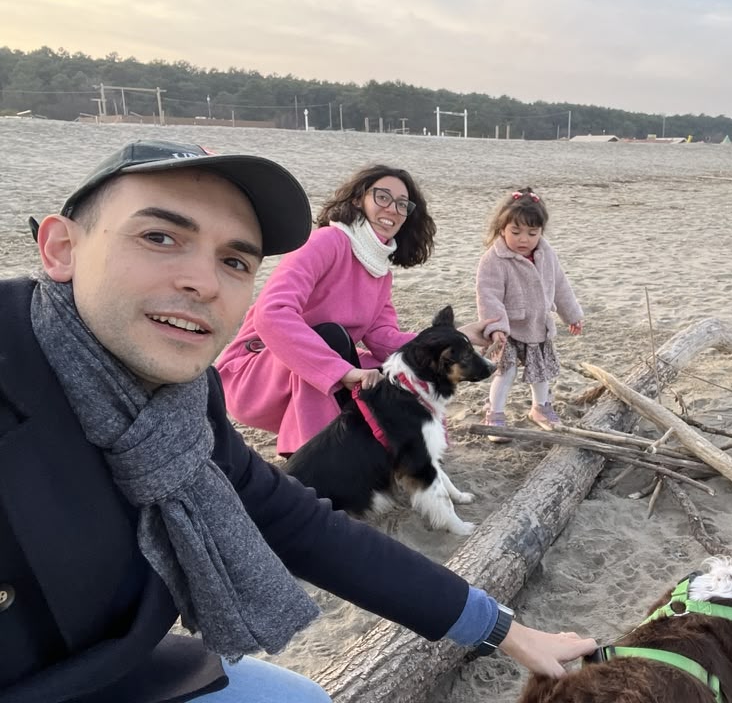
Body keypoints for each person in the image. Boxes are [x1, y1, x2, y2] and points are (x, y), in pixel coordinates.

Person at [0, 139, 596, 703]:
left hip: (117, 665)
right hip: (272, 366)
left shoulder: (180, 401)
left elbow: (304, 525)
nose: (203, 282)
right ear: (61, 247)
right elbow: (280, 315)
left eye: (234, 259)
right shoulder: (328, 245)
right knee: (340, 352)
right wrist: (340, 372)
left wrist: (503, 630)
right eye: (160, 237)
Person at [216, 164, 491, 457]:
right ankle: (311, 458)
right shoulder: (327, 241)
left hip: (316, 371)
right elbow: (271, 313)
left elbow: (384, 338)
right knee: (331, 337)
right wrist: (341, 371)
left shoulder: (380, 270)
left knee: (391, 369)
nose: (393, 209)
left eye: (402, 204)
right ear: (359, 200)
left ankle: (398, 454)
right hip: (255, 372)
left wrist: (457, 336)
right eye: (382, 197)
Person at [475, 188, 583, 442]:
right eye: (516, 232)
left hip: (539, 326)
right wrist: (496, 327)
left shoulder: (546, 254)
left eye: (532, 233)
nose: (524, 239)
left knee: (541, 371)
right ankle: (495, 413)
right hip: (509, 330)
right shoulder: (494, 259)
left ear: (541, 232)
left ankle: (540, 407)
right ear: (502, 228)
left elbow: (560, 285)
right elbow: (488, 295)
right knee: (506, 372)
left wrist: (572, 315)